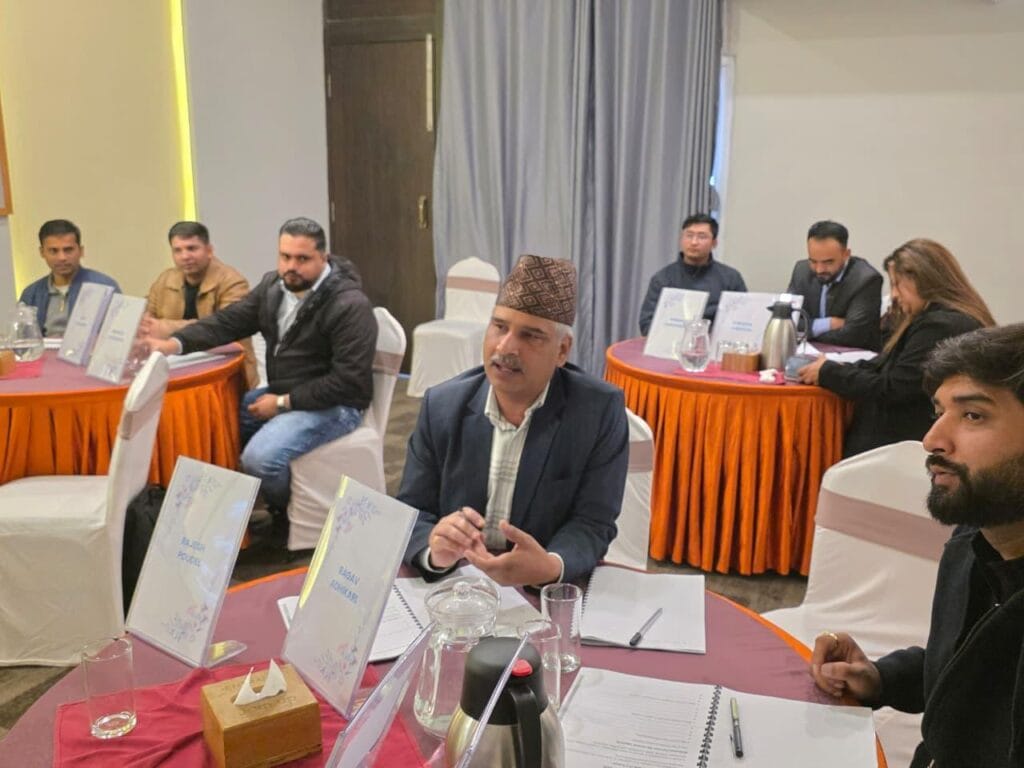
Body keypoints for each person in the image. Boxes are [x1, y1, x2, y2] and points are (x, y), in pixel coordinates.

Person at [809, 323, 1024, 767]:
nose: (932, 441)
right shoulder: (974, 540)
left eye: (973, 415)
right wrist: (880, 678)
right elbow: (972, 668)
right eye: (939, 412)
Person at [400, 254, 629, 587]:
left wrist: (551, 565)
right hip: (457, 583)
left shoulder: (597, 411)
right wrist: (434, 549)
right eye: (499, 327)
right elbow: (411, 510)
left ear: (562, 350)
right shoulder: (443, 405)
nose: (506, 347)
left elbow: (594, 521)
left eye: (531, 336)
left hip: (544, 587)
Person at [148, 217, 376, 514]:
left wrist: (282, 403)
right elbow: (228, 322)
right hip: (288, 391)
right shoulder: (273, 286)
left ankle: (290, 513)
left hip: (336, 405)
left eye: (302, 259)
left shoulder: (349, 305)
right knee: (215, 424)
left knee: (259, 459)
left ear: (324, 257)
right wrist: (174, 344)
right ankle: (226, 511)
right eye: (285, 256)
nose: (291, 266)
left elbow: (348, 381)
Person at [798, 238, 994, 457]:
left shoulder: (939, 326)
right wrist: (839, 368)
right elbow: (886, 364)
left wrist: (829, 373)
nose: (894, 295)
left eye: (896, 284)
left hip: (901, 445)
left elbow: (894, 388)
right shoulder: (942, 318)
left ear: (921, 281)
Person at [142, 221, 259, 388]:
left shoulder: (233, 282)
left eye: (192, 248)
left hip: (226, 372)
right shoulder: (165, 279)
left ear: (209, 250)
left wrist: (164, 328)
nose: (185, 256)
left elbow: (225, 328)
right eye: (178, 250)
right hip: (176, 367)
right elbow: (146, 318)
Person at [638, 213, 747, 334]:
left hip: (715, 342)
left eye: (702, 237)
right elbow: (647, 322)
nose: (694, 242)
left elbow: (741, 320)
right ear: (681, 240)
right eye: (689, 235)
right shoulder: (662, 278)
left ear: (714, 243)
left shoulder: (731, 278)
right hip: (672, 342)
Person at [786, 220, 882, 351]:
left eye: (828, 262)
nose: (819, 269)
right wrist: (828, 324)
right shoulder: (801, 271)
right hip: (809, 353)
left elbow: (853, 336)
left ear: (846, 255)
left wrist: (806, 332)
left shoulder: (866, 279)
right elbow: (786, 320)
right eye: (813, 261)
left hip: (852, 357)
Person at [19, 219, 120, 336]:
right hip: (43, 348)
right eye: (53, 251)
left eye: (68, 250)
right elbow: (22, 340)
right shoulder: (31, 294)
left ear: (81, 251)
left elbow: (119, 335)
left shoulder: (104, 287)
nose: (62, 257)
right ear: (42, 252)